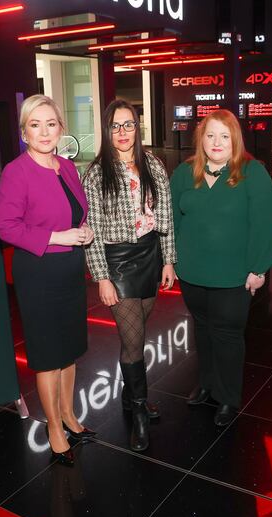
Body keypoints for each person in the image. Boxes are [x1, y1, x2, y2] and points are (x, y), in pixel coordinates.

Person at [0, 94, 95, 466]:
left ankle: (70, 415)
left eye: (50, 123)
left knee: (69, 350)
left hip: (69, 268)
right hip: (38, 273)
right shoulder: (16, 171)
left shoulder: (66, 167)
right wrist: (60, 236)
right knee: (48, 357)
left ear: (61, 128)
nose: (43, 131)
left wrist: (81, 231)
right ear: (24, 132)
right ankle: (54, 428)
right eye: (34, 125)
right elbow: (6, 227)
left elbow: (75, 211)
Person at [170, 109, 272, 427]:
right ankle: (205, 383)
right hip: (192, 272)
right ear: (200, 139)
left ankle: (228, 397)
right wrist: (173, 259)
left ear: (235, 139)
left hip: (234, 275)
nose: (217, 142)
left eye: (224, 135)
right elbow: (173, 219)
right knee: (202, 329)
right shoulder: (184, 172)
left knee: (228, 335)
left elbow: (266, 222)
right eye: (210, 135)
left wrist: (259, 268)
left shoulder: (252, 172)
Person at [83, 99, 176, 452]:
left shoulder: (152, 163)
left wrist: (169, 261)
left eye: (129, 125)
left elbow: (164, 215)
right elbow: (88, 228)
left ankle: (128, 395)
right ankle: (139, 411)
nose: (122, 132)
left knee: (136, 333)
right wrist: (101, 277)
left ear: (138, 128)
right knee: (133, 337)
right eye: (115, 126)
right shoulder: (95, 173)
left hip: (150, 253)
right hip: (117, 259)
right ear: (106, 131)